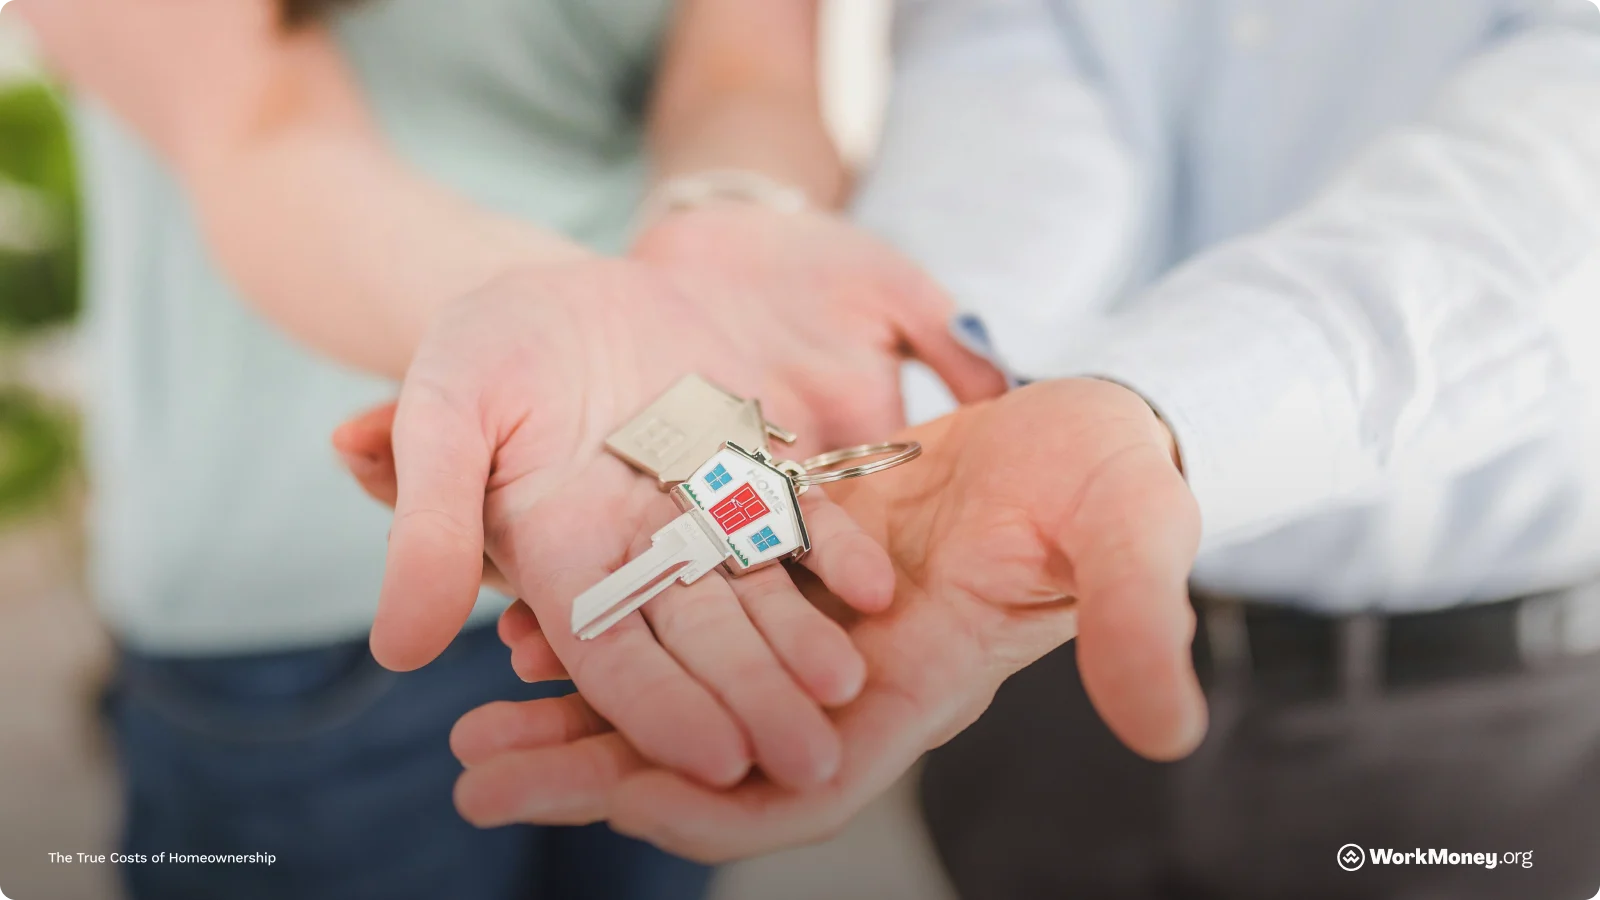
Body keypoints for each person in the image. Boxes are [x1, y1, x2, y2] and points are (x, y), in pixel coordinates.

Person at [350, 0, 1600, 897]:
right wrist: (906, 352)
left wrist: (1154, 410)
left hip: (1481, 711)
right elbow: (1025, 46)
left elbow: (1563, 145)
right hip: (997, 642)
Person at [16, 0, 1007, 896]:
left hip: (643, 524)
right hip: (299, 594)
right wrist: (562, 320)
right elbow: (256, 133)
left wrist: (732, 211)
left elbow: (746, 74)